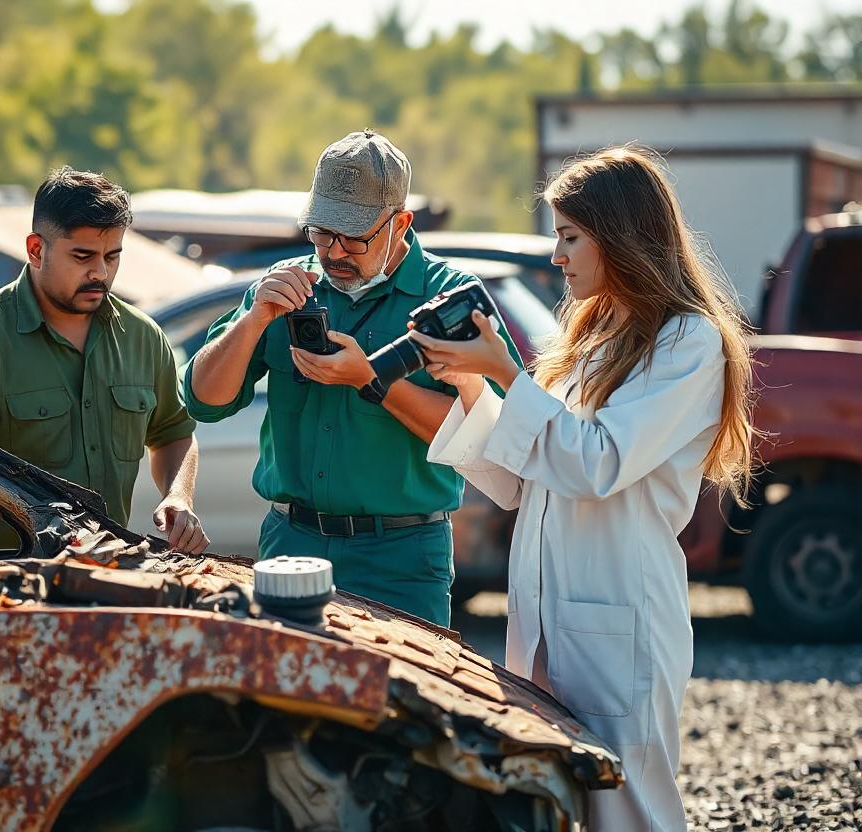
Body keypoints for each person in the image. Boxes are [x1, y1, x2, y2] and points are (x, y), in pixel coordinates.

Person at [418, 146, 754, 829]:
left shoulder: (687, 342)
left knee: (629, 809)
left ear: (621, 235)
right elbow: (520, 482)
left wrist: (509, 376)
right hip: (550, 620)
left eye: (570, 236)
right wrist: (470, 385)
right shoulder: (592, 332)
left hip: (620, 619)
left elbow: (596, 463)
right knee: (560, 804)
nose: (556, 254)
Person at [184, 130, 521, 626]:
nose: (334, 251)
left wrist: (371, 380)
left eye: (355, 235)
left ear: (400, 223)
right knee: (283, 700)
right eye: (322, 232)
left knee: (399, 701)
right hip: (290, 546)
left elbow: (491, 440)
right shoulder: (282, 285)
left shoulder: (452, 298)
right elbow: (202, 401)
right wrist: (254, 319)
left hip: (402, 557)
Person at [0, 166, 210, 557]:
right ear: (36, 249)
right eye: (82, 256)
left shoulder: (143, 338)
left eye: (112, 256)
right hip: (8, 585)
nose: (100, 272)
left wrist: (178, 496)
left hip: (112, 572)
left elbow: (174, 434)